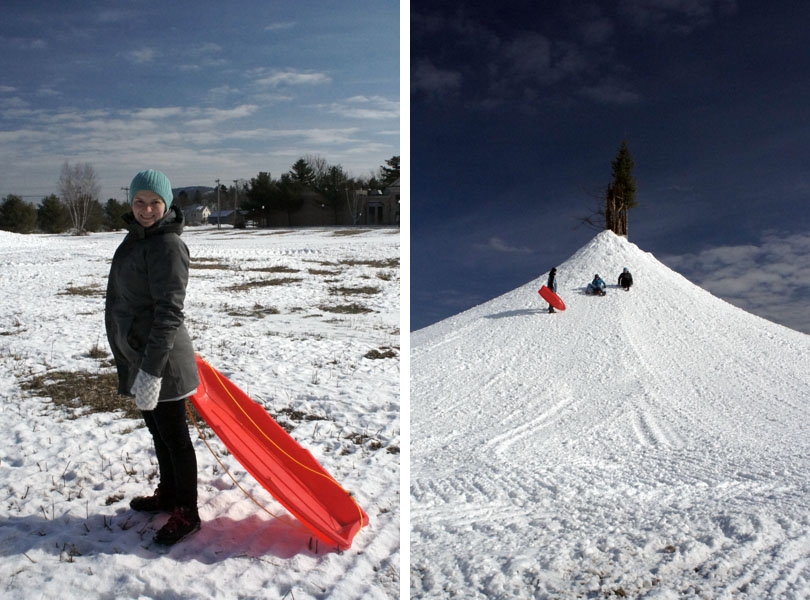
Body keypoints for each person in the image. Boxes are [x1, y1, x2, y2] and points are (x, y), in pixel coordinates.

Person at [105, 169, 201, 546]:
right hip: (139, 356)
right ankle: (170, 494)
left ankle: (187, 512)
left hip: (162, 364)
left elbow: (170, 313)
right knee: (158, 433)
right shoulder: (136, 239)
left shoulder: (168, 245)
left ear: (167, 204)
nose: (146, 209)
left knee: (175, 437)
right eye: (139, 202)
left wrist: (151, 371)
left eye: (155, 203)